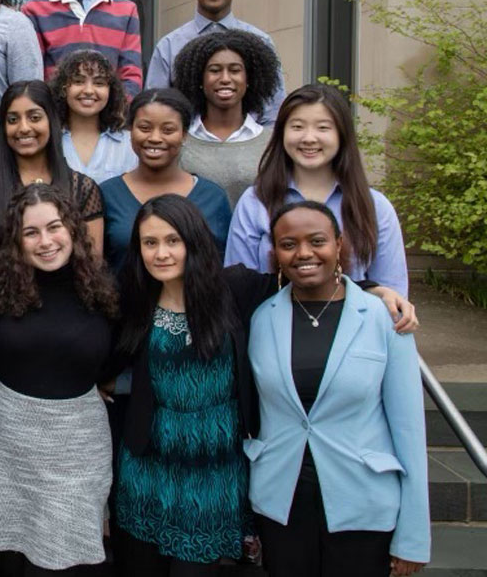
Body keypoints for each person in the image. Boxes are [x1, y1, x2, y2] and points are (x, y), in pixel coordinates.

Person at [109, 195, 418, 577]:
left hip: (215, 471)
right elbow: (103, 351)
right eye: (150, 243)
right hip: (147, 465)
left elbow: (307, 272)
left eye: (173, 240)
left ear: (194, 240)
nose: (161, 253)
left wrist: (374, 289)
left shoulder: (236, 289)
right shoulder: (134, 300)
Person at [247, 201, 428, 577]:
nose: (304, 254)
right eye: (288, 244)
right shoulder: (262, 318)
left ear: (339, 245)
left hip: (363, 502)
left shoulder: (384, 318)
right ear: (275, 254)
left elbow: (409, 430)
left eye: (317, 241)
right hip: (282, 503)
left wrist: (413, 536)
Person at [0, 183, 117, 574]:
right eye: (31, 232)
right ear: (16, 242)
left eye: (54, 227)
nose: (46, 241)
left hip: (79, 443)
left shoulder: (103, 290)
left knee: (70, 555)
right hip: (6, 440)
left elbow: (121, 353)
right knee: (5, 557)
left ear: (72, 229)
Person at [225, 84, 409, 295]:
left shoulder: (374, 206)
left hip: (354, 326)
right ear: (281, 133)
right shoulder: (256, 201)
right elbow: (238, 289)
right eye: (297, 127)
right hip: (271, 325)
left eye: (323, 128)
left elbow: (393, 296)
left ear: (342, 134)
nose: (309, 138)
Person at [0, 80, 104, 277]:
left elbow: (92, 270)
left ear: (52, 121)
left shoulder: (83, 188)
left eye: (34, 117)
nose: (24, 128)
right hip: (0, 303)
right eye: (12, 120)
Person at [99, 88, 231, 273]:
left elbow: (222, 265)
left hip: (197, 301)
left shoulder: (213, 197)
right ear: (130, 131)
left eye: (168, 130)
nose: (155, 138)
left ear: (184, 134)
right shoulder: (106, 194)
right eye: (144, 128)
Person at [146, 0, 285, 124]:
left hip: (250, 147)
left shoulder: (261, 42)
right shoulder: (169, 46)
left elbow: (273, 109)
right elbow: (156, 106)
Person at [174, 29, 281, 206]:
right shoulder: (181, 141)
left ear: (249, 79)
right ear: (199, 80)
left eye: (235, 70)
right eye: (215, 70)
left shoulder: (272, 142)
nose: (225, 78)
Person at [52, 49, 138, 184]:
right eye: (78, 81)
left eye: (99, 83)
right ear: (63, 89)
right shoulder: (49, 139)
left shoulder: (130, 143)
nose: (88, 91)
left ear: (111, 90)